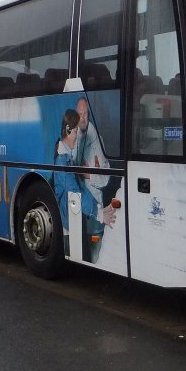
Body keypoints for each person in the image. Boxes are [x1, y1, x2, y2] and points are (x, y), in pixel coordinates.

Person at [52, 108, 116, 258]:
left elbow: (80, 187)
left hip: (71, 220)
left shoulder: (67, 156)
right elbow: (76, 193)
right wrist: (99, 214)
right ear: (68, 131)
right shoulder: (62, 160)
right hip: (67, 225)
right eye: (75, 132)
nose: (77, 136)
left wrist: (99, 208)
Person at [74, 98, 114, 262]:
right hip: (76, 207)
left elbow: (105, 179)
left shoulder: (97, 141)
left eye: (85, 114)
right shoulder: (71, 137)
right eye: (79, 114)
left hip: (94, 210)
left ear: (88, 115)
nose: (82, 118)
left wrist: (88, 174)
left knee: (95, 257)